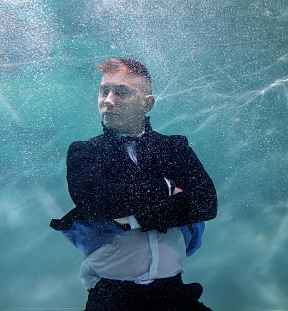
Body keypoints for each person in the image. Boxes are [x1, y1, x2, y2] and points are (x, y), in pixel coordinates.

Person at [50, 58, 218, 310]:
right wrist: (168, 188)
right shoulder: (84, 152)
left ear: (147, 103)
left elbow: (206, 203)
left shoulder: (174, 147)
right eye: (103, 91)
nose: (107, 100)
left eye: (121, 92)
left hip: (174, 293)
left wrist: (133, 220)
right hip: (111, 297)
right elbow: (100, 203)